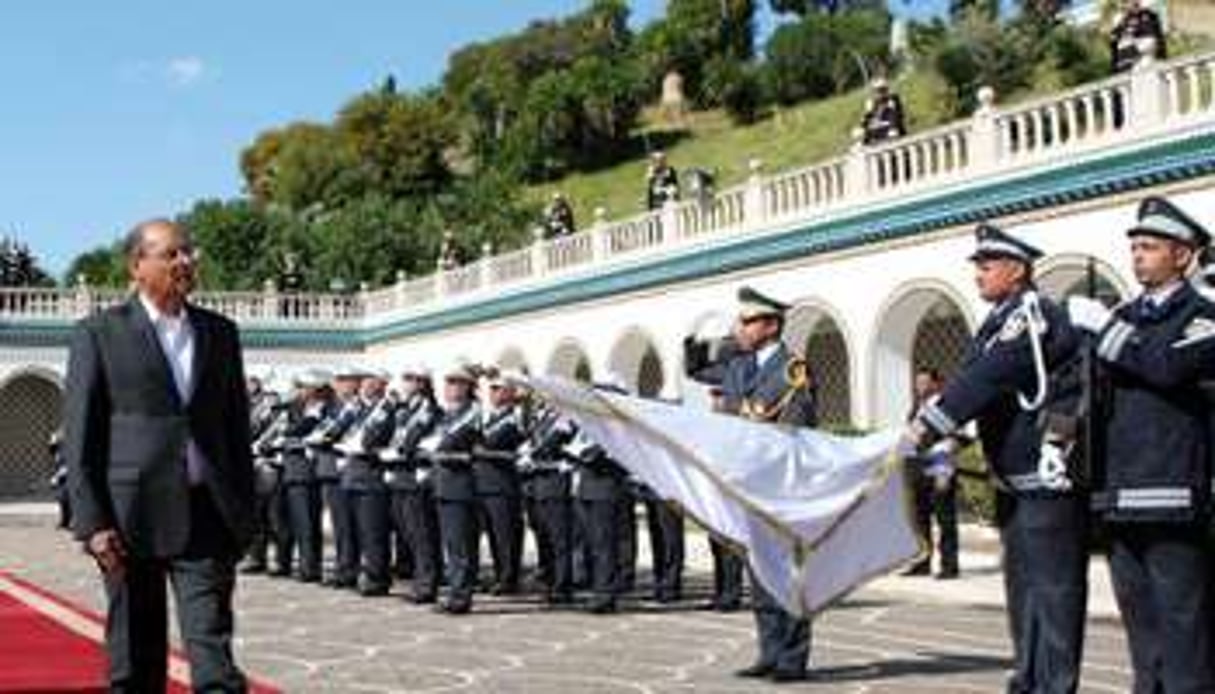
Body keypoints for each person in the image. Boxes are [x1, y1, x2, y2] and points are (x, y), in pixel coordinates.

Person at [63, 218, 256, 692]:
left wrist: (245, 513)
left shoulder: (220, 333)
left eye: (188, 252)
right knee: (135, 658)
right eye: (171, 254)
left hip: (206, 513)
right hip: (130, 518)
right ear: (137, 265)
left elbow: (235, 429)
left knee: (213, 656)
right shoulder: (100, 333)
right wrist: (92, 523)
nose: (185, 262)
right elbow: (81, 433)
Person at [907, 223, 1086, 693]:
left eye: (987, 266)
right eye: (978, 266)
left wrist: (927, 426)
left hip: (1044, 480)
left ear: (1019, 270)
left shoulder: (1030, 315)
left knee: (1054, 591)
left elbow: (988, 376)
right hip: (1015, 480)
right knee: (1022, 591)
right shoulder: (1000, 319)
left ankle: (1054, 685)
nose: (978, 275)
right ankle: (1028, 679)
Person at [1067, 196, 1214, 692]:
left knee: (1184, 639)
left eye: (1150, 247)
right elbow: (1084, 388)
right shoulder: (1125, 315)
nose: (1138, 256)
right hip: (1116, 495)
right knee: (1142, 639)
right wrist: (1057, 434)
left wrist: (1107, 328)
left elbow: (1163, 366)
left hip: (1172, 496)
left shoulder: (1203, 316)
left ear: (1184, 255)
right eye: (1135, 247)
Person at [691, 286, 817, 683]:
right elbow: (699, 376)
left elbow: (796, 430)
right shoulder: (738, 368)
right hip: (745, 486)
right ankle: (769, 650)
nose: (739, 328)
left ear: (772, 325)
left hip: (780, 489)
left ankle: (793, 658)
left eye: (747, 321)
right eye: (740, 321)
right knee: (760, 573)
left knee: (788, 575)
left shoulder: (793, 369)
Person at [381, 364, 443, 603]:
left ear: (421, 383)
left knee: (421, 533)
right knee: (408, 532)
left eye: (410, 379)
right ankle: (422, 578)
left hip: (415, 477)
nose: (405, 383)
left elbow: (411, 442)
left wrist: (398, 452)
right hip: (400, 476)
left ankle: (427, 584)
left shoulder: (428, 410)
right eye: (405, 378)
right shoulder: (405, 410)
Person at [425, 362, 483, 614]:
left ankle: (461, 596)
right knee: (452, 543)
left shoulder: (472, 412)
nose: (448, 387)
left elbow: (449, 443)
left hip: (460, 486)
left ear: (467, 386)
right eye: (447, 382)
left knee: (460, 545)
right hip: (444, 484)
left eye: (454, 382)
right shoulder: (450, 413)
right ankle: (456, 591)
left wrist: (436, 449)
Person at [337, 370, 396, 597]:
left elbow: (371, 440)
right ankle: (366, 573)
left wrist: (359, 445)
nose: (365, 386)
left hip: (371, 478)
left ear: (381, 385)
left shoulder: (385, 410)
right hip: (354, 477)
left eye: (371, 382)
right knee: (361, 532)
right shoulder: (362, 410)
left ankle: (377, 577)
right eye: (364, 382)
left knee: (374, 533)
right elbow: (344, 435)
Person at [901, 368, 960, 580]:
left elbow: (963, 434)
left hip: (940, 460)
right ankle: (923, 562)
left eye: (925, 382)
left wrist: (949, 453)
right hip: (917, 462)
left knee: (944, 514)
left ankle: (949, 565)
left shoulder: (946, 405)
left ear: (936, 384)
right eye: (918, 382)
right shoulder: (917, 408)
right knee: (920, 515)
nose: (920, 387)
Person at [473, 370, 527, 595]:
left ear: (511, 392)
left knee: (506, 535)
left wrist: (479, 448)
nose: (493, 393)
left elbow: (488, 444)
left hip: (502, 485)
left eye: (498, 389)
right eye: (492, 389)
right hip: (485, 484)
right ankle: (499, 574)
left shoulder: (513, 418)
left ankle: (509, 578)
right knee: (494, 534)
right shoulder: (490, 417)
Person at [279, 370, 334, 583]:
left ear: (314, 389)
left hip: (307, 471)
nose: (299, 390)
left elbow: (294, 431)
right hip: (293, 470)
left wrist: (301, 429)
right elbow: (287, 430)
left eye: (303, 386)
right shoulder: (295, 407)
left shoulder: (323, 409)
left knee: (309, 521)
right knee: (300, 522)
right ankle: (306, 564)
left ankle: (310, 567)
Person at [1110, 0, 1166, 74]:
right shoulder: (1120, 23)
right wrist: (1115, 68)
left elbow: (1155, 41)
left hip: (1147, 62)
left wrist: (1162, 58)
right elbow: (1115, 48)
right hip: (1126, 67)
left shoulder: (1150, 16)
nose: (1134, 2)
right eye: (1126, 2)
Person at [860, 78, 907, 146]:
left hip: (893, 136)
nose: (880, 94)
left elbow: (896, 118)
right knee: (864, 135)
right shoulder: (873, 105)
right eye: (877, 91)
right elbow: (864, 124)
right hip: (878, 139)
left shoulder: (892, 101)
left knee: (892, 134)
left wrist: (892, 127)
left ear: (887, 90)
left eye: (882, 90)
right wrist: (867, 113)